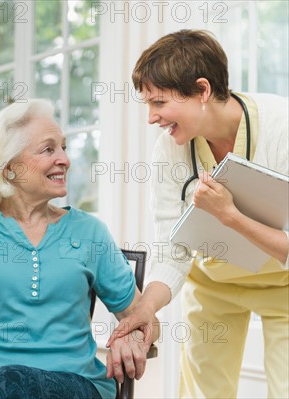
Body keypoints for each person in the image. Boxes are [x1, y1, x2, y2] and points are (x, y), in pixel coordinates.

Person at [0, 99, 159, 399]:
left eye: (63, 147)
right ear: (8, 167)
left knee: (10, 378)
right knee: (4, 382)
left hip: (74, 385)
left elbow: (146, 318)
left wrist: (135, 336)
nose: (64, 160)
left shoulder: (89, 232)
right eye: (48, 149)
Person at [108, 29, 289, 398]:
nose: (151, 117)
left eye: (158, 103)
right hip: (213, 286)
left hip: (282, 286)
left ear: (202, 90)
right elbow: (171, 250)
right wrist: (146, 308)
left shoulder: (281, 126)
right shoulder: (170, 150)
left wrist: (230, 215)